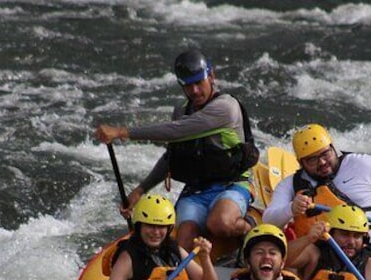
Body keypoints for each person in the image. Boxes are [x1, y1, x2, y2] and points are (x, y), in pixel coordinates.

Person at [95, 48, 259, 252]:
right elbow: (172, 156)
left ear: (211, 76)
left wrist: (121, 132)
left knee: (220, 223)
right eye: (188, 86)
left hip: (232, 183)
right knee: (182, 242)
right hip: (197, 189)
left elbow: (176, 131)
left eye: (199, 82)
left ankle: (250, 227)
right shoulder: (181, 110)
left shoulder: (226, 108)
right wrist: (140, 190)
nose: (195, 91)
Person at [262, 123, 371, 266]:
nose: (322, 162)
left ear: (333, 147)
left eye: (325, 153)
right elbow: (268, 221)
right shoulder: (291, 185)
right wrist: (290, 209)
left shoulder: (362, 165)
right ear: (301, 163)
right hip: (321, 258)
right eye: (313, 159)